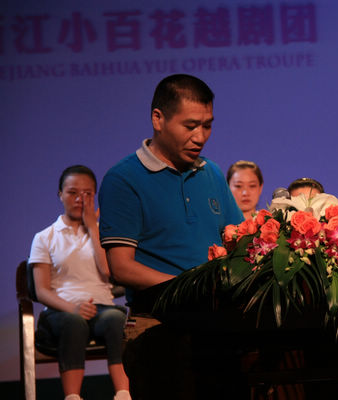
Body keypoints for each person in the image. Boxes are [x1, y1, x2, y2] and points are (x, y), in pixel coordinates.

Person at [98, 74, 244, 398]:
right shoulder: (124, 179)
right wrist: (190, 288)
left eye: (207, 125)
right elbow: (121, 267)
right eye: (190, 126)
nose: (200, 137)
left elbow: (238, 239)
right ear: (158, 119)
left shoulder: (211, 172)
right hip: (157, 326)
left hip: (216, 325)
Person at [29, 165, 130, 400]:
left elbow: (108, 271)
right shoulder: (45, 237)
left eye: (87, 194)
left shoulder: (104, 233)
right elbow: (41, 290)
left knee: (116, 319)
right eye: (73, 192)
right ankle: (73, 396)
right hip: (62, 310)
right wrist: (73, 308)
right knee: (74, 323)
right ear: (60, 194)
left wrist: (93, 227)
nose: (79, 199)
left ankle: (123, 394)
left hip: (102, 308)